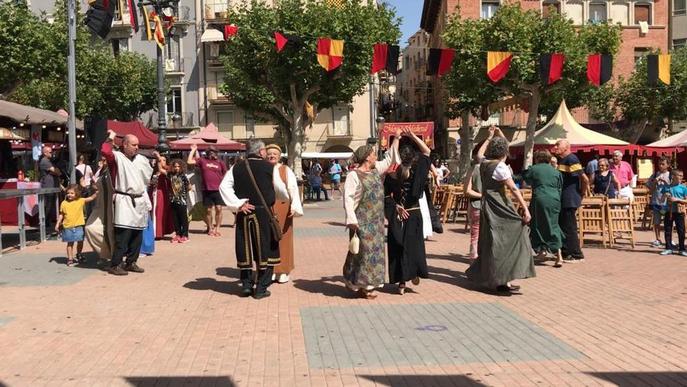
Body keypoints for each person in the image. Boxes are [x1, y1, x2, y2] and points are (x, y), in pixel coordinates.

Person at [466, 132, 535, 294]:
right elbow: (513, 189)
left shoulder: (484, 163)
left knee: (492, 241)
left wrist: (489, 137)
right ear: (504, 151)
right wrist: (525, 208)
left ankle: (501, 279)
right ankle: (503, 280)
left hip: (486, 204)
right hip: (500, 206)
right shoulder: (500, 167)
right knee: (506, 240)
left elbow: (479, 154)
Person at [219, 140, 289, 299]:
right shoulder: (270, 167)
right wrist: (281, 197)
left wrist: (238, 204)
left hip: (244, 212)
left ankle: (246, 285)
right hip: (263, 213)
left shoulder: (236, 167)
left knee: (245, 248)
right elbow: (281, 190)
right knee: (267, 248)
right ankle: (261, 288)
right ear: (261, 152)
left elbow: (223, 187)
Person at [344, 130, 400, 299]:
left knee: (374, 253)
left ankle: (364, 285)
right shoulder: (354, 175)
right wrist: (351, 220)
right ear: (367, 157)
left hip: (376, 222)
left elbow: (390, 158)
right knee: (363, 253)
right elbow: (348, 198)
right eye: (374, 154)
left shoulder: (376, 170)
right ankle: (362, 285)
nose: (376, 156)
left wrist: (396, 139)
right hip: (361, 220)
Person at [383, 129, 431, 294]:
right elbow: (427, 151)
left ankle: (402, 281)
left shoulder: (392, 174)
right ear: (413, 157)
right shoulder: (419, 171)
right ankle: (413, 273)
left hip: (397, 213)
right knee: (414, 246)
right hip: (413, 213)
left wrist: (396, 206)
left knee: (398, 246)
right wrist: (412, 136)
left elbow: (384, 196)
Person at [101, 130, 153, 276]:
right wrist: (111, 136)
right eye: (133, 144)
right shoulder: (117, 158)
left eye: (138, 145)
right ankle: (115, 264)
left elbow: (146, 178)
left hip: (139, 200)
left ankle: (131, 262)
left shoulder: (141, 159)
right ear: (124, 145)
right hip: (124, 200)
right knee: (123, 235)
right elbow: (105, 150)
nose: (137, 147)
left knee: (137, 235)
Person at [266, 144, 303, 283]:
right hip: (268, 208)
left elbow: (292, 187)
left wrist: (294, 205)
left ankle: (284, 270)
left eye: (274, 154)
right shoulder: (264, 169)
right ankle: (272, 270)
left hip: (283, 207)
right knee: (269, 239)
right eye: (269, 153)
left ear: (279, 156)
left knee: (284, 238)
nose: (271, 156)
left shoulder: (285, 170)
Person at [523, 150, 564, 268]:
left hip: (540, 198)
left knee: (537, 224)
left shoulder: (534, 169)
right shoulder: (556, 172)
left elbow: (525, 178)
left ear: (537, 158)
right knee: (553, 225)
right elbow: (560, 187)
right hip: (555, 200)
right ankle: (558, 255)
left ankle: (542, 250)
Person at [554, 139, 588, 263]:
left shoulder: (572, 159)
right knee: (563, 226)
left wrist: (582, 193)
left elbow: (584, 178)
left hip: (570, 198)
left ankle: (577, 255)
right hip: (564, 198)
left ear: (567, 147)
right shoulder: (561, 160)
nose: (555, 147)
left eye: (558, 145)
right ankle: (566, 252)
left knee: (570, 227)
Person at [187, 144, 227, 237]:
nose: (212, 153)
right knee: (208, 210)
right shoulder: (202, 160)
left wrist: (223, 183)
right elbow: (189, 161)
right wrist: (193, 150)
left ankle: (217, 228)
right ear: (208, 152)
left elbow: (225, 173)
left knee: (219, 209)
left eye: (214, 151)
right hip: (207, 189)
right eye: (210, 151)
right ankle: (210, 228)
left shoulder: (220, 162)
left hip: (218, 189)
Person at [55, 184, 99, 266]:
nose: (69, 195)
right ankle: (70, 259)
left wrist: (97, 192)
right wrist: (57, 224)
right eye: (68, 193)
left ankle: (79, 254)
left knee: (80, 241)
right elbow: (61, 214)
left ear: (77, 194)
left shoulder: (80, 200)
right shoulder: (64, 203)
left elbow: (91, 198)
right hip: (68, 226)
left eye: (72, 193)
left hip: (79, 226)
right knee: (70, 243)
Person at [464, 130, 490, 261]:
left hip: (476, 205)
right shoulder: (495, 168)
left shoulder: (473, 168)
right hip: (492, 206)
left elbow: (467, 191)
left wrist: (481, 195)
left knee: (475, 235)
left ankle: (473, 261)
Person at [660, 170, 687, 256]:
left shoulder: (683, 188)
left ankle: (682, 249)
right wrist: (665, 196)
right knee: (667, 230)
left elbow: (686, 200)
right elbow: (661, 200)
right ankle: (668, 248)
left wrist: (677, 199)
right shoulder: (667, 187)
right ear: (673, 176)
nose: (681, 177)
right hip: (669, 211)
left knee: (681, 230)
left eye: (682, 175)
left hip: (679, 212)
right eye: (679, 175)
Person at [646, 157, 670, 247]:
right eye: (659, 164)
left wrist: (666, 182)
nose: (660, 166)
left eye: (663, 164)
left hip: (666, 203)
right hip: (656, 202)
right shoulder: (655, 174)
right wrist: (655, 182)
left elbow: (673, 188)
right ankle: (658, 239)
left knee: (668, 222)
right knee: (656, 222)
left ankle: (669, 239)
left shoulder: (670, 175)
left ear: (668, 165)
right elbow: (650, 188)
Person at [167, 159, 192, 243]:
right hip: (173, 200)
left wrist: (181, 193)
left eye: (178, 166)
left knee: (183, 218)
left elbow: (189, 187)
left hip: (182, 201)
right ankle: (178, 234)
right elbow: (161, 169)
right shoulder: (170, 175)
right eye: (175, 166)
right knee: (175, 218)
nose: (177, 168)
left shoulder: (184, 176)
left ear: (181, 167)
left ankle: (185, 235)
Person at [39, 145, 61, 233]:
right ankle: (44, 223)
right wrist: (57, 172)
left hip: (52, 185)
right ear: (45, 153)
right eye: (50, 152)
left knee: (50, 205)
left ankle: (47, 222)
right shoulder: (45, 161)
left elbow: (57, 172)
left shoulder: (49, 161)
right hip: (48, 186)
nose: (52, 153)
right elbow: (56, 171)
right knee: (47, 205)